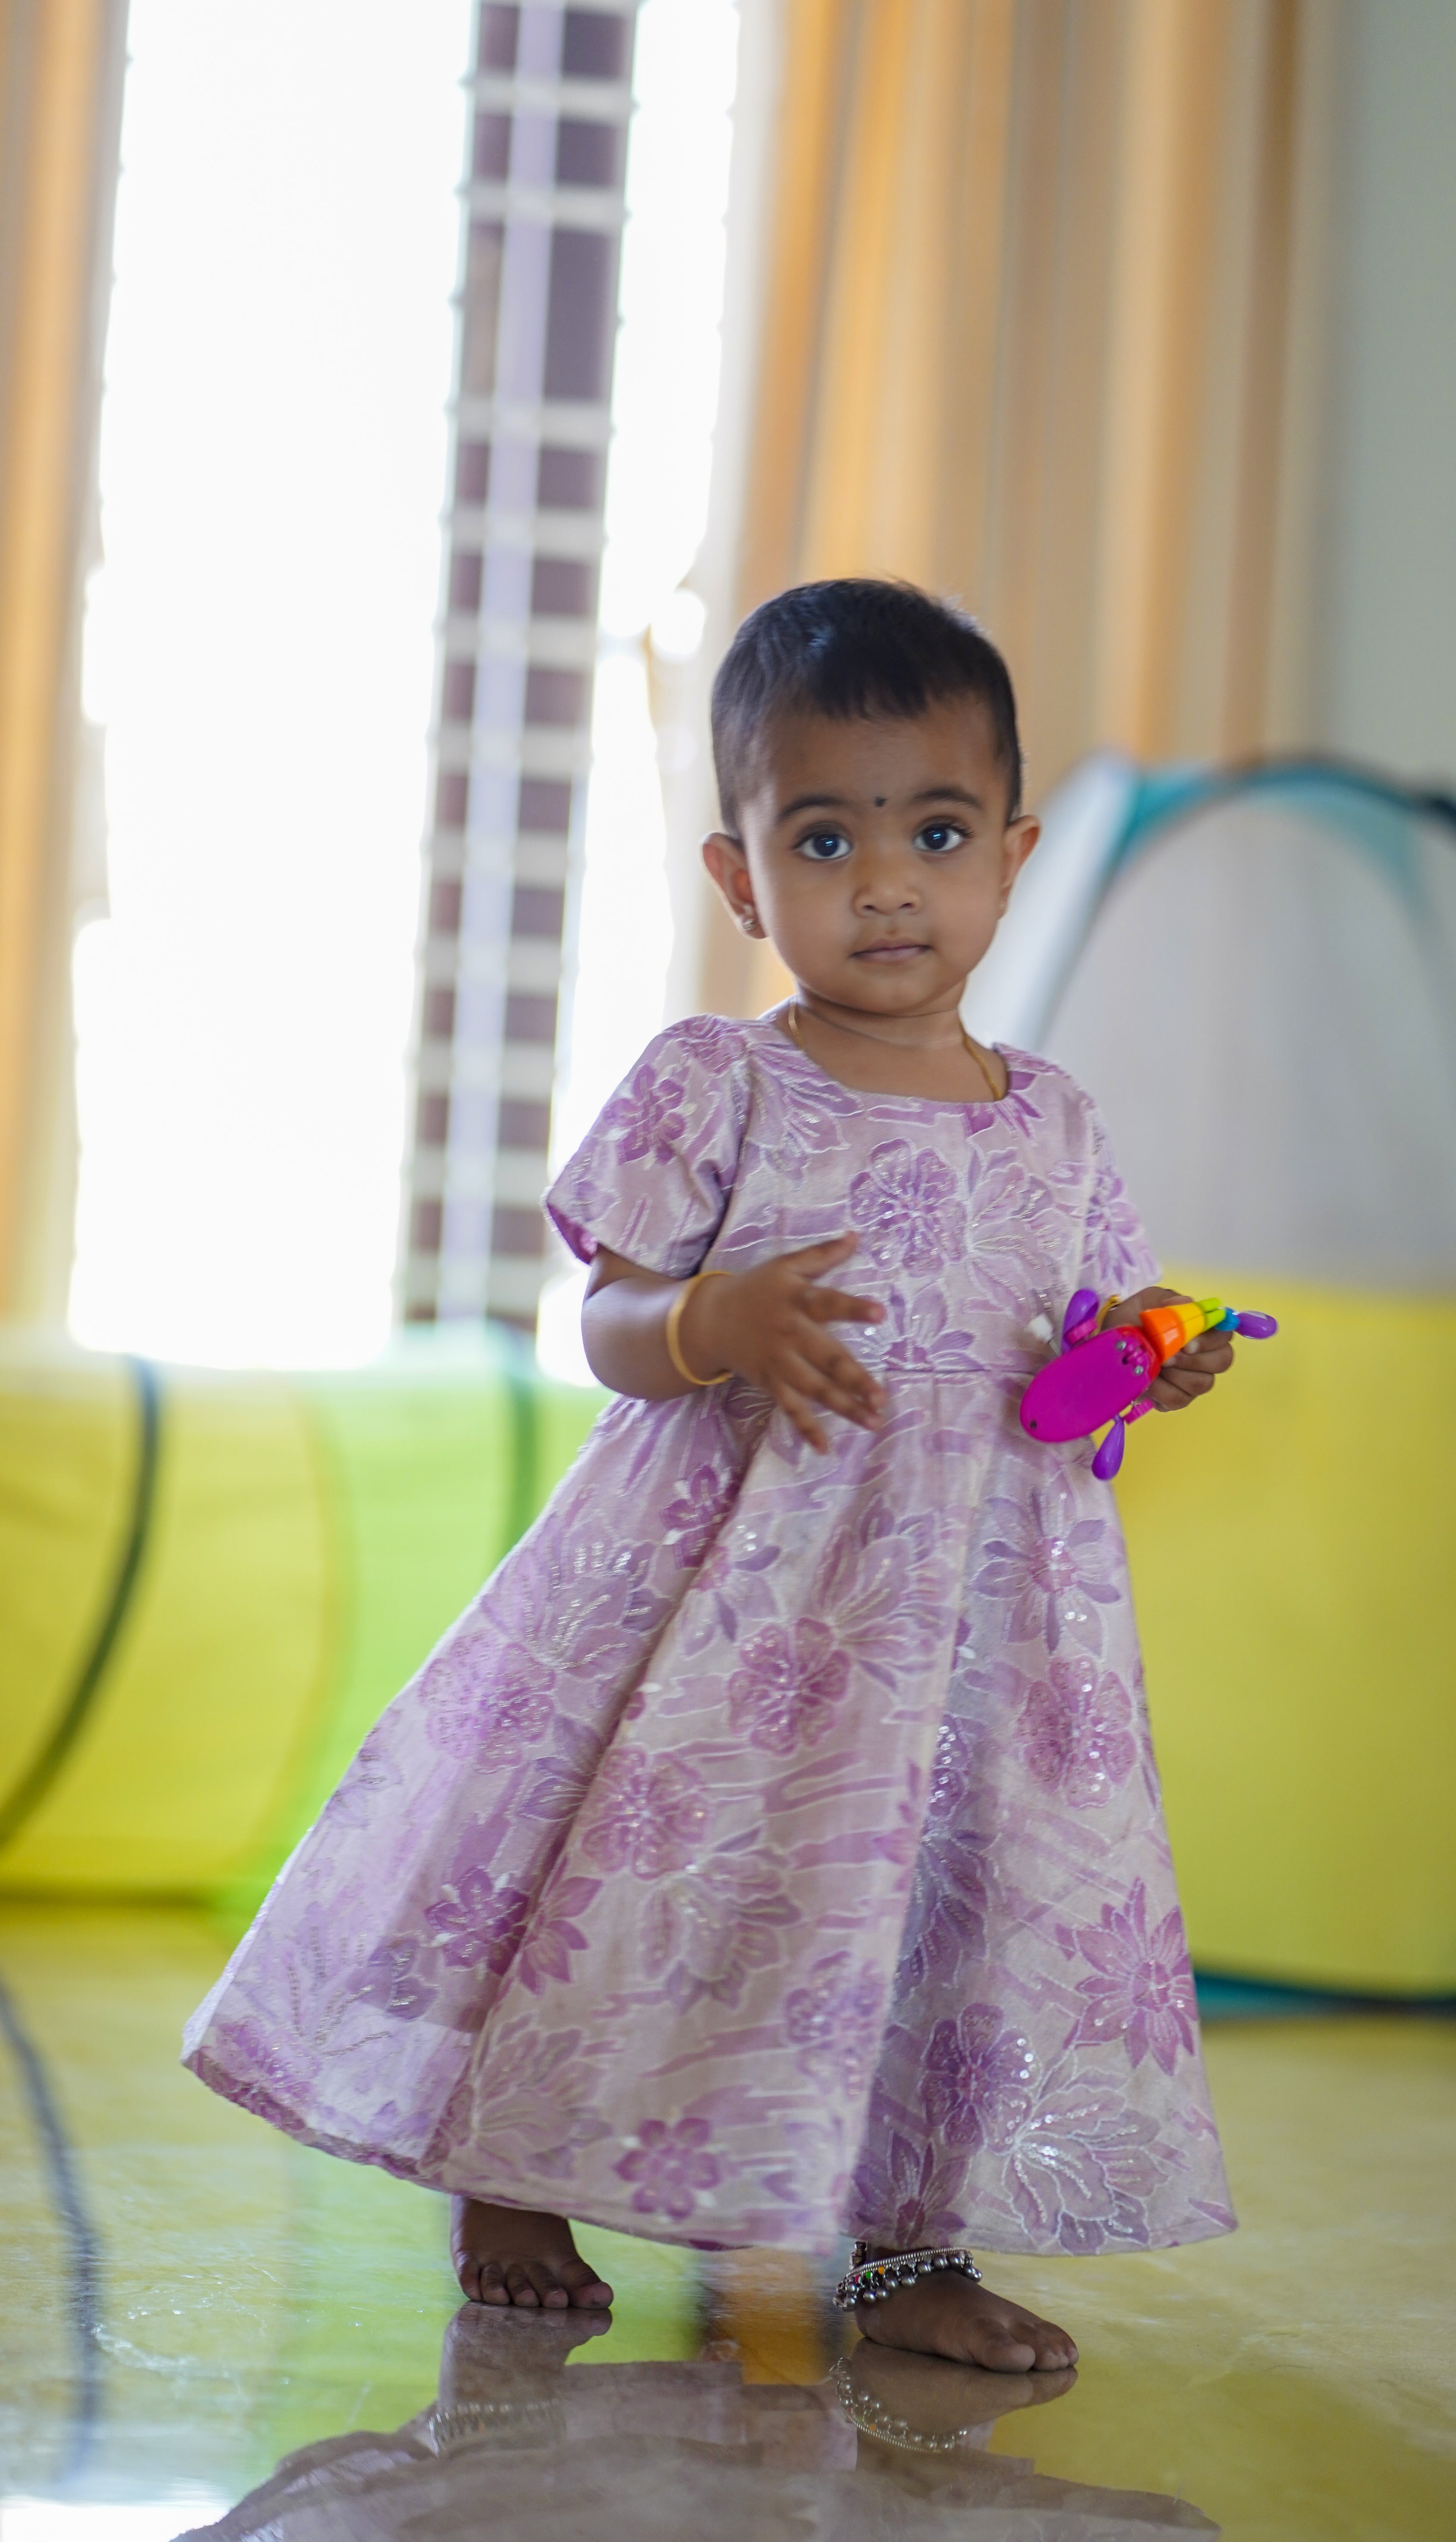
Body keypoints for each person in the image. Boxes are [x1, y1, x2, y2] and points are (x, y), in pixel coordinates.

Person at [184, 578, 1236, 2375]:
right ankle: (514, 2170)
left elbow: (1059, 1399)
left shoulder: (1054, 1119)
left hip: (965, 1632)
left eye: (935, 831)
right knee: (644, 1874)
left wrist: (1140, 1356)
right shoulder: (722, 1083)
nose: (885, 880)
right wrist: (709, 1319)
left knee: (934, 1909)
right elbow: (601, 1321)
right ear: (743, 878)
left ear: (1013, 856)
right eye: (824, 835)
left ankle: (907, 2255)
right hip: (729, 1607)